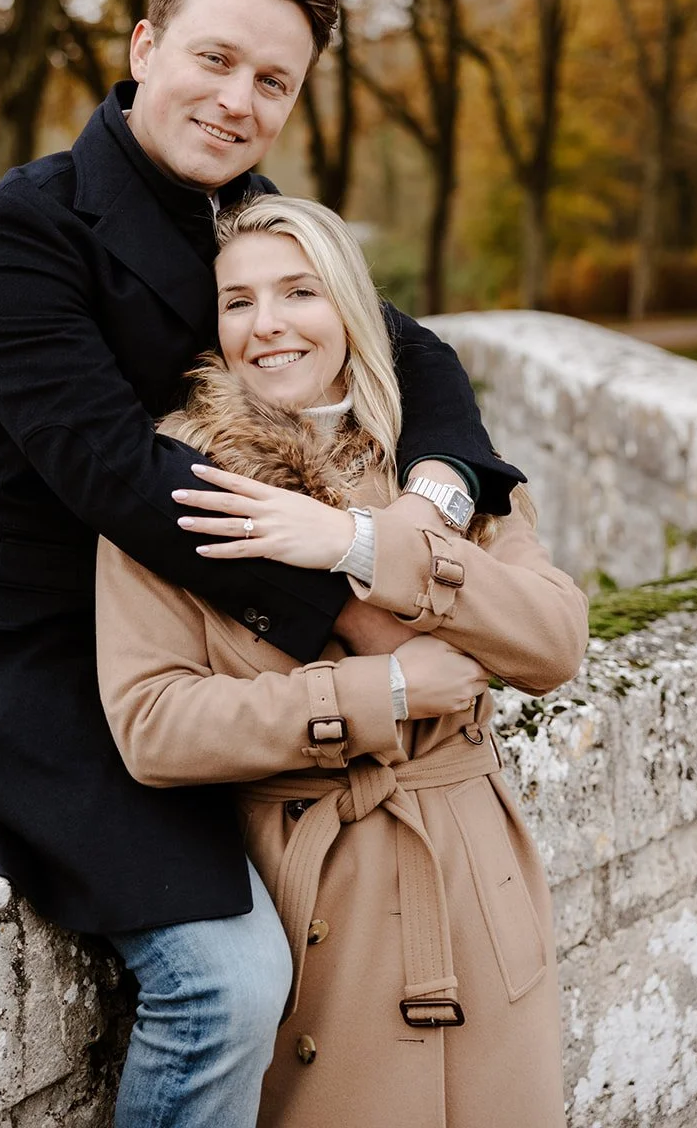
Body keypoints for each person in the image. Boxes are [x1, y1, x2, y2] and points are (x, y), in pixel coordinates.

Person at [0, 0, 525, 1127]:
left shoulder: (247, 222)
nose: (238, 99)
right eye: (215, 59)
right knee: (228, 985)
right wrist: (358, 605)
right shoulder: (16, 232)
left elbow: (416, 354)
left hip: (221, 645)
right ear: (144, 48)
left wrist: (428, 504)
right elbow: (121, 476)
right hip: (47, 671)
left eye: (272, 81)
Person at [95, 194, 588, 1128]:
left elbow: (554, 641)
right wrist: (383, 690)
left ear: (351, 306)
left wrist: (358, 543)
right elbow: (153, 726)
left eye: (299, 292)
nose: (267, 325)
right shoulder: (177, 481)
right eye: (237, 302)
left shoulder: (442, 464)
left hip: (477, 882)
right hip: (322, 896)